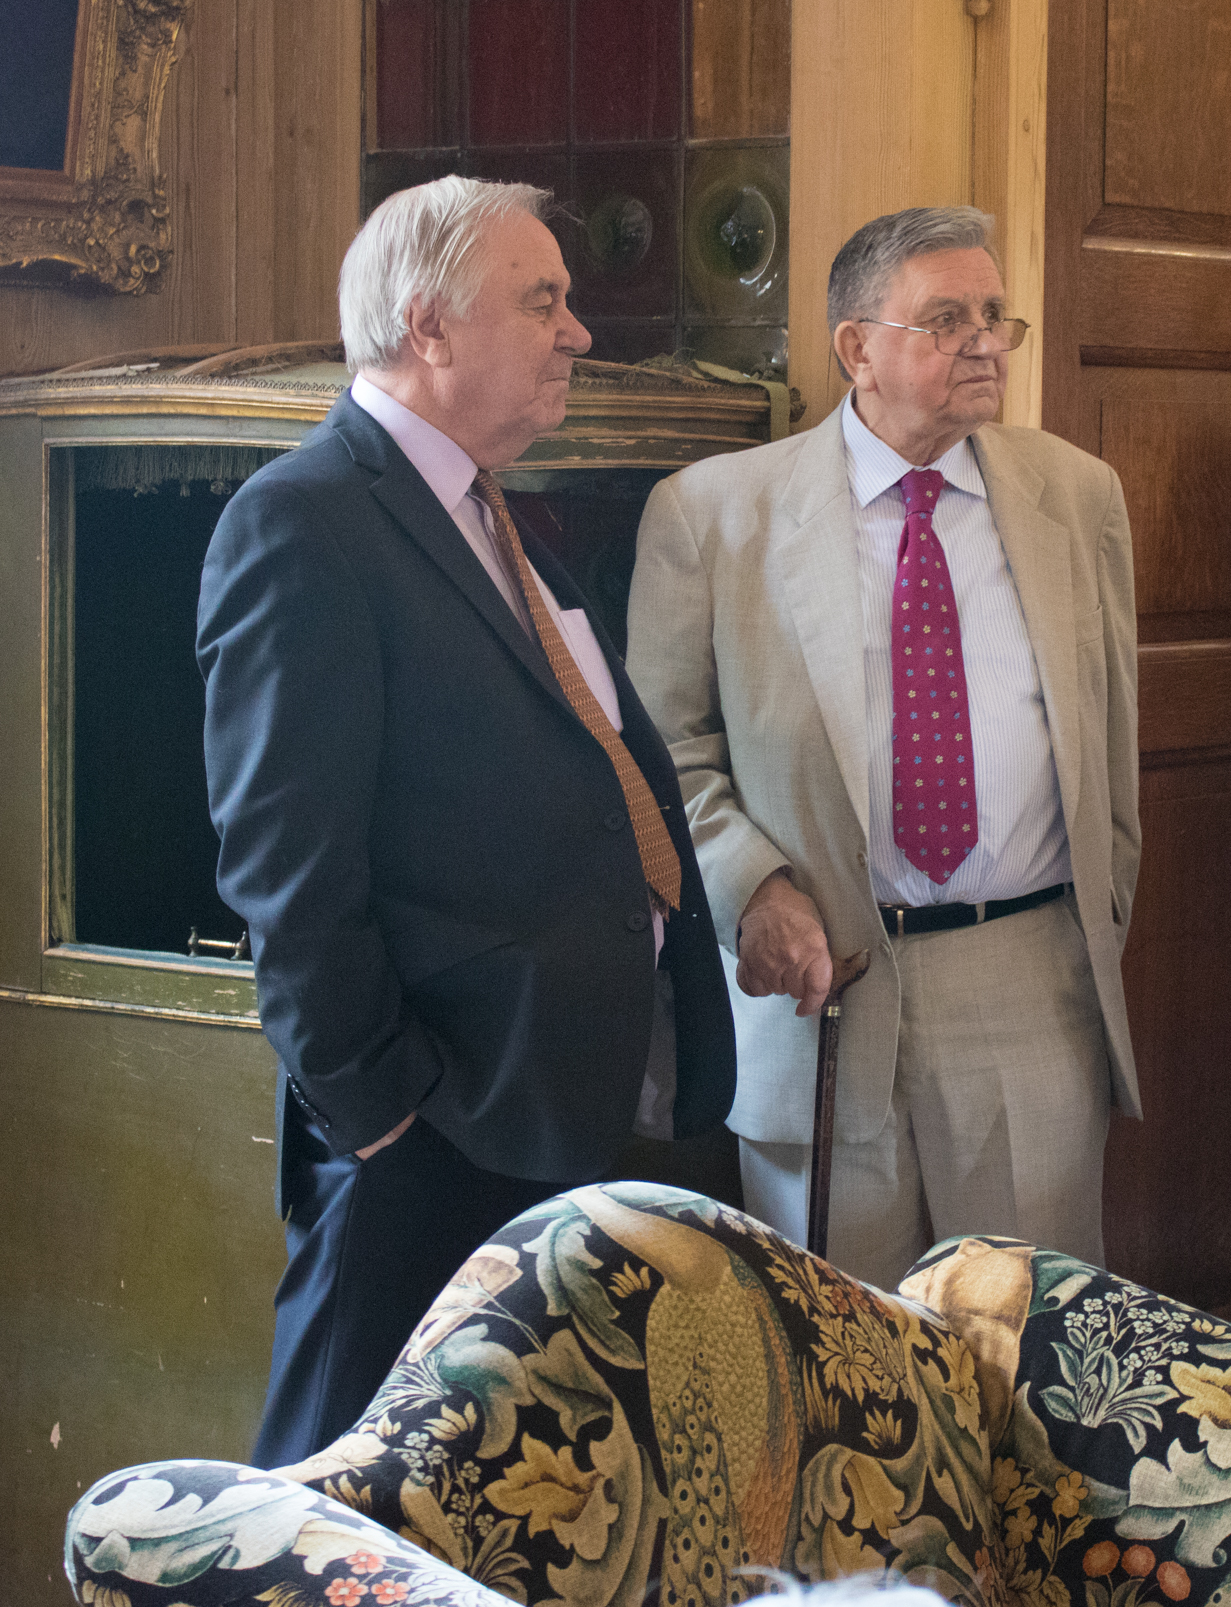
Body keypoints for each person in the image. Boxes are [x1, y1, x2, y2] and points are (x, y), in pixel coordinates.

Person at [197, 176, 735, 1467]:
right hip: (431, 1136)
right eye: (542, 300)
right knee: (338, 1503)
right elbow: (286, 870)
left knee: (513, 1506)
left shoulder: (492, 515)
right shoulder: (303, 520)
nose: (578, 332)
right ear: (427, 324)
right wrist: (383, 1114)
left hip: (551, 1113)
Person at [625, 205, 1140, 1291]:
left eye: (994, 316)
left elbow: (1113, 753)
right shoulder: (711, 514)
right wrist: (750, 887)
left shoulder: (1077, 495)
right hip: (819, 996)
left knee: (1024, 1352)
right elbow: (659, 753)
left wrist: (1091, 925)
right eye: (946, 319)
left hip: (1024, 986)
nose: (985, 343)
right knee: (835, 1361)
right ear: (856, 347)